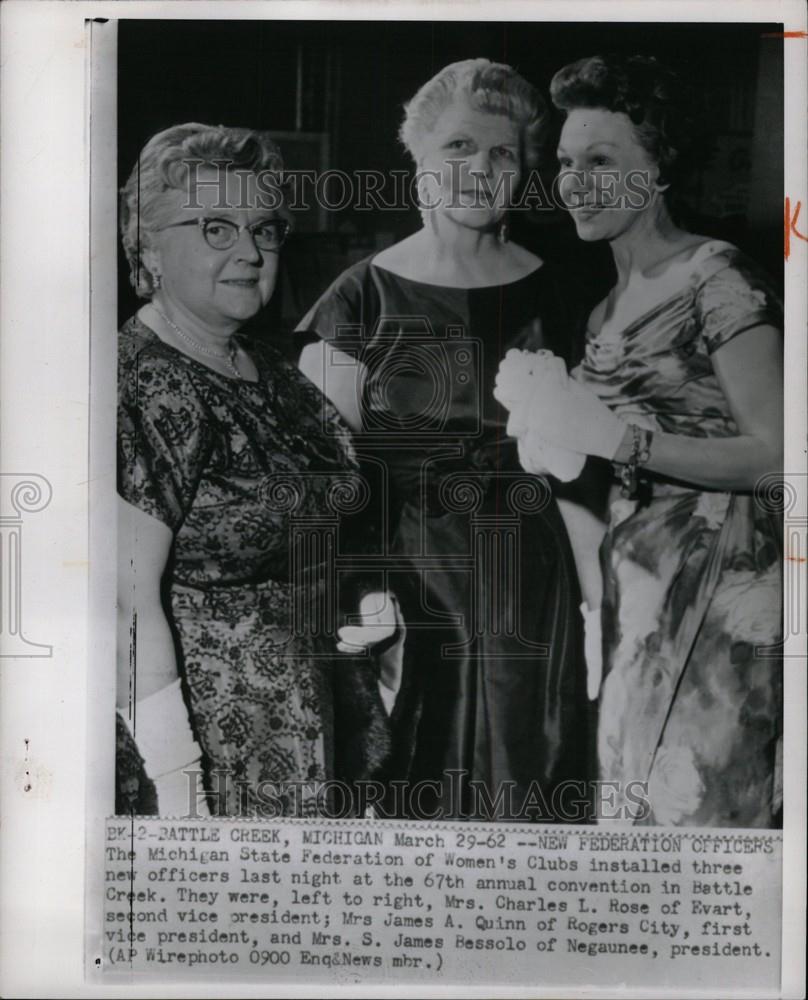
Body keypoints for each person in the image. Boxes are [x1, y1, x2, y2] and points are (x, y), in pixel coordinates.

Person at [298, 59, 590, 822]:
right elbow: (328, 484)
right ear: (420, 157)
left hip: (535, 564)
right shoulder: (358, 297)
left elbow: (594, 451)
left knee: (539, 761)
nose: (480, 170)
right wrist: (361, 595)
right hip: (415, 571)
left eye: (502, 154)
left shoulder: (562, 288)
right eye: (460, 147)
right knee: (433, 772)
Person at [501, 55, 783, 827]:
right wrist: (551, 450)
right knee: (631, 823)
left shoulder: (714, 275)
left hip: (722, 593)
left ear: (658, 169)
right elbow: (603, 485)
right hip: (634, 599)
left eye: (602, 160)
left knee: (706, 817)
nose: (575, 181)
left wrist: (619, 439)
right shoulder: (600, 312)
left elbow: (779, 454)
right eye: (564, 162)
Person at [116, 123, 396, 818]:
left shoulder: (275, 366)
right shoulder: (143, 382)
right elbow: (124, 605)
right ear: (149, 243)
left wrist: (351, 596)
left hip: (322, 726)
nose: (249, 250)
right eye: (215, 228)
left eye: (265, 229)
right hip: (213, 756)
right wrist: (178, 785)